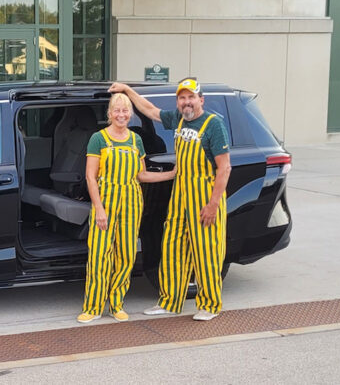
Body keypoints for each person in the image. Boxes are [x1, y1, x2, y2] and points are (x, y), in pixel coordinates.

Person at [108, 78, 231, 321]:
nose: (186, 102)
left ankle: (209, 305)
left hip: (205, 197)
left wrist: (213, 205)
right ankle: (170, 301)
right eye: (182, 98)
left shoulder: (213, 125)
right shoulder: (177, 118)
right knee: (173, 247)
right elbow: (150, 110)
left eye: (191, 97)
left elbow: (224, 168)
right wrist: (127, 90)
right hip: (180, 196)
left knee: (206, 252)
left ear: (200, 100)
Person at [77, 93, 176, 324]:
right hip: (106, 202)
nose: (121, 115)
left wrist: (171, 174)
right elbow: (91, 178)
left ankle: (117, 304)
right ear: (109, 114)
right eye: (117, 111)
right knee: (100, 255)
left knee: (126, 256)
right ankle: (93, 306)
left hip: (131, 203)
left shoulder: (135, 141)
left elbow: (140, 175)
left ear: (130, 115)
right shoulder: (98, 139)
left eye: (125, 111)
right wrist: (99, 209)